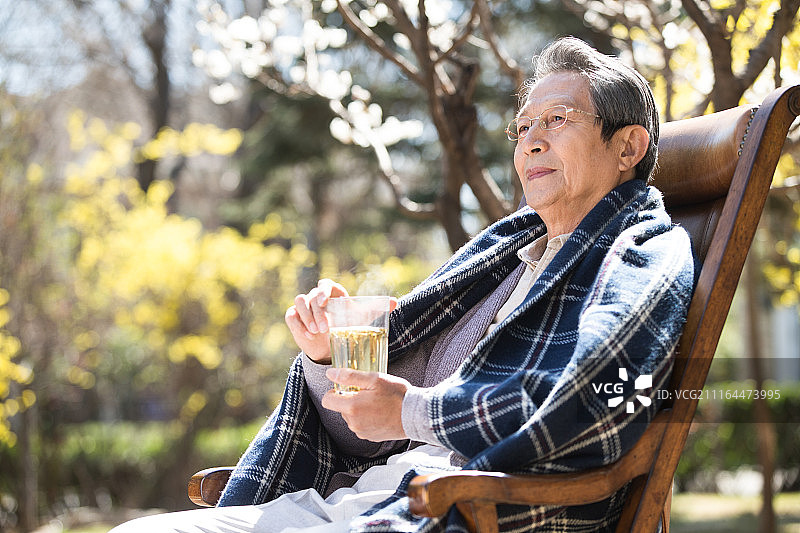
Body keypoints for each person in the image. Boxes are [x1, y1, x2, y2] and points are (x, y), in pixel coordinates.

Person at [110, 36, 694, 533]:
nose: (530, 142)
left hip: (463, 507)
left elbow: (601, 401)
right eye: (523, 127)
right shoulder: (503, 256)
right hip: (372, 494)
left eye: (558, 121)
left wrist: (413, 412)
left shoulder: (642, 252)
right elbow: (367, 435)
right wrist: (330, 358)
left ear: (628, 147)